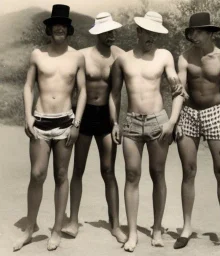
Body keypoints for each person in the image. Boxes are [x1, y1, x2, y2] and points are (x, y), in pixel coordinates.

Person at [109, 11, 185, 252]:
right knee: (131, 175)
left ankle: (157, 228)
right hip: (131, 123)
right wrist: (114, 122)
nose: (151, 37)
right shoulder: (123, 59)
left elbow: (177, 91)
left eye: (156, 33)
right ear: (138, 31)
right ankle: (132, 234)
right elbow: (114, 94)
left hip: (158, 122)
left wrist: (172, 121)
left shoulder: (164, 56)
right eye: (147, 32)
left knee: (158, 173)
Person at [13, 4, 86, 251]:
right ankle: (29, 228)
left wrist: (77, 122)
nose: (60, 28)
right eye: (56, 25)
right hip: (40, 121)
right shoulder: (37, 54)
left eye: (64, 25)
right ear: (50, 29)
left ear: (68, 29)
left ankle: (56, 230)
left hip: (66, 122)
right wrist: (27, 116)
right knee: (37, 174)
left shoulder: (77, 56)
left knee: (62, 175)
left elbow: (83, 90)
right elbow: (27, 86)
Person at [173, 12, 220, 251]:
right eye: (192, 32)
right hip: (190, 114)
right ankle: (187, 226)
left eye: (199, 31)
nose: (194, 36)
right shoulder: (184, 57)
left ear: (209, 32)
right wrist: (176, 120)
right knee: (188, 170)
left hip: (214, 113)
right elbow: (180, 91)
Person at [61, 12, 127, 243]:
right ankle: (73, 221)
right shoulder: (82, 56)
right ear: (98, 32)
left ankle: (116, 225)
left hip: (107, 117)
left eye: (113, 31)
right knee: (77, 169)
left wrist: (117, 121)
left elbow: (125, 87)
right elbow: (65, 83)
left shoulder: (119, 56)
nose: (112, 35)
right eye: (107, 31)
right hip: (85, 113)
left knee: (108, 171)